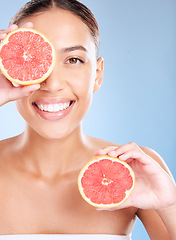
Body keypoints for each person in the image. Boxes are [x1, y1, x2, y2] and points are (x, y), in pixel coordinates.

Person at [0, 0, 176, 239]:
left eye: (73, 60)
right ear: (8, 68)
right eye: (34, 59)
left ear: (97, 75)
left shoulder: (136, 170)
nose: (52, 85)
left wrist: (170, 207)